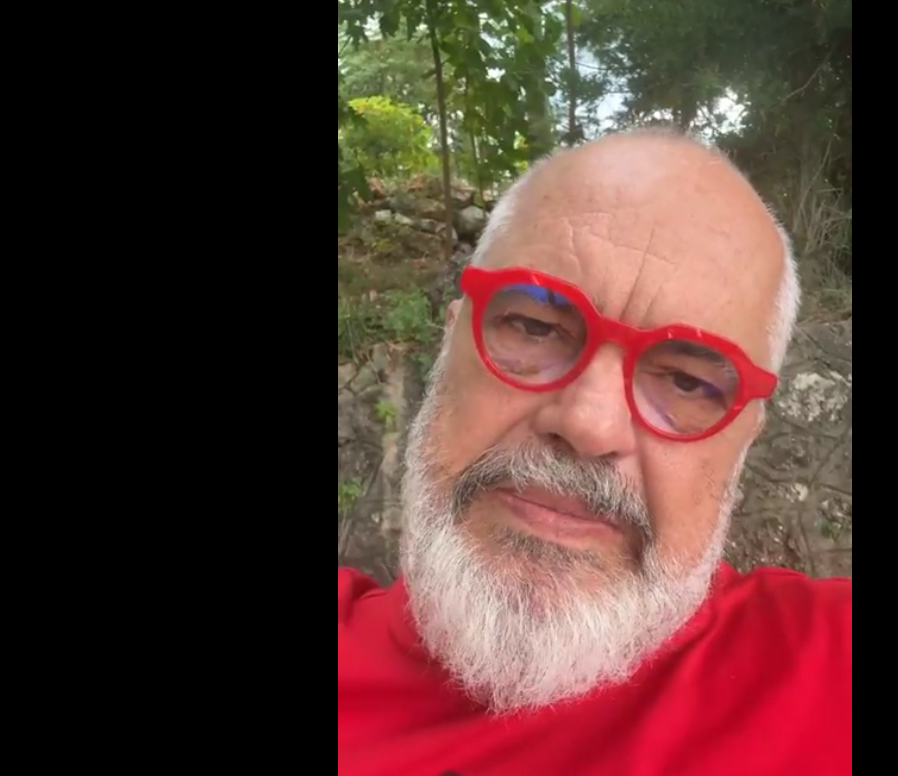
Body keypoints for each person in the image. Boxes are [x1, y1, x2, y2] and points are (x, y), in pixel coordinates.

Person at [337, 127, 852, 776]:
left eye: (687, 382)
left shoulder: (829, 672)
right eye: (533, 327)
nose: (588, 422)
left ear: (745, 437)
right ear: (450, 344)